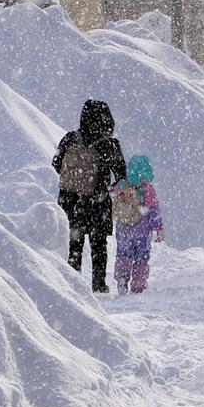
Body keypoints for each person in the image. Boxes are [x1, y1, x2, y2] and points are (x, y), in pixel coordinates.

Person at [52, 99, 127, 293]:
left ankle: (72, 284)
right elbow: (121, 174)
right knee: (98, 244)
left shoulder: (70, 138)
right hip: (98, 202)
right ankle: (98, 285)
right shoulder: (110, 144)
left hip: (70, 201)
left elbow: (56, 164)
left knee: (74, 243)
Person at [110, 154, 164, 295]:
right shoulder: (147, 188)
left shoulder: (122, 184)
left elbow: (112, 194)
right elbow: (153, 210)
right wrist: (158, 228)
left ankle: (122, 278)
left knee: (123, 254)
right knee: (142, 256)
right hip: (142, 229)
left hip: (123, 227)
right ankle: (138, 286)